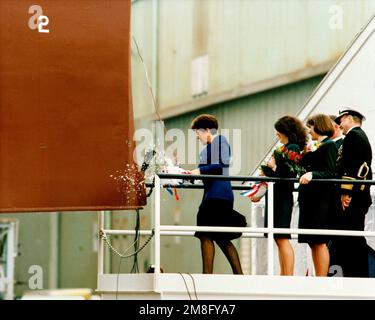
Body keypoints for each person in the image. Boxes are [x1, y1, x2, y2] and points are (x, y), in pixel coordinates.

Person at [188, 114, 244, 274]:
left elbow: (221, 165)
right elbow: (206, 171)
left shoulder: (221, 141)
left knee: (206, 235)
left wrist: (198, 170)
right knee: (221, 237)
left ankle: (208, 276)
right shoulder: (208, 149)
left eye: (197, 133)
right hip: (215, 195)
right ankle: (239, 275)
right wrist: (189, 175)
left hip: (217, 196)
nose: (197, 137)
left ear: (206, 130)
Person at [260, 115, 307, 275]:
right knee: (278, 237)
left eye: (278, 131)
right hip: (278, 195)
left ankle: (287, 274)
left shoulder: (292, 148)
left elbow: (287, 173)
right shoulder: (286, 148)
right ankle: (284, 273)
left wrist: (272, 167)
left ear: (285, 131)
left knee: (281, 237)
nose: (276, 134)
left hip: (282, 196)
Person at [333, 108, 373, 277]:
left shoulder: (353, 136)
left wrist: (346, 193)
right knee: (352, 236)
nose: (339, 125)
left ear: (349, 118)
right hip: (359, 195)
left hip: (354, 196)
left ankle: (356, 275)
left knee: (351, 237)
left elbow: (352, 167)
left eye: (340, 120)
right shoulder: (359, 136)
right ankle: (356, 274)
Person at [298, 114, 338, 276]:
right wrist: (305, 153)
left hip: (320, 199)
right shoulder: (316, 145)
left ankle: (321, 279)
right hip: (309, 198)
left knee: (320, 241)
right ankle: (317, 277)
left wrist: (313, 174)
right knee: (312, 241)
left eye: (310, 126)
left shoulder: (329, 146)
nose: (308, 130)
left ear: (318, 126)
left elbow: (330, 172)